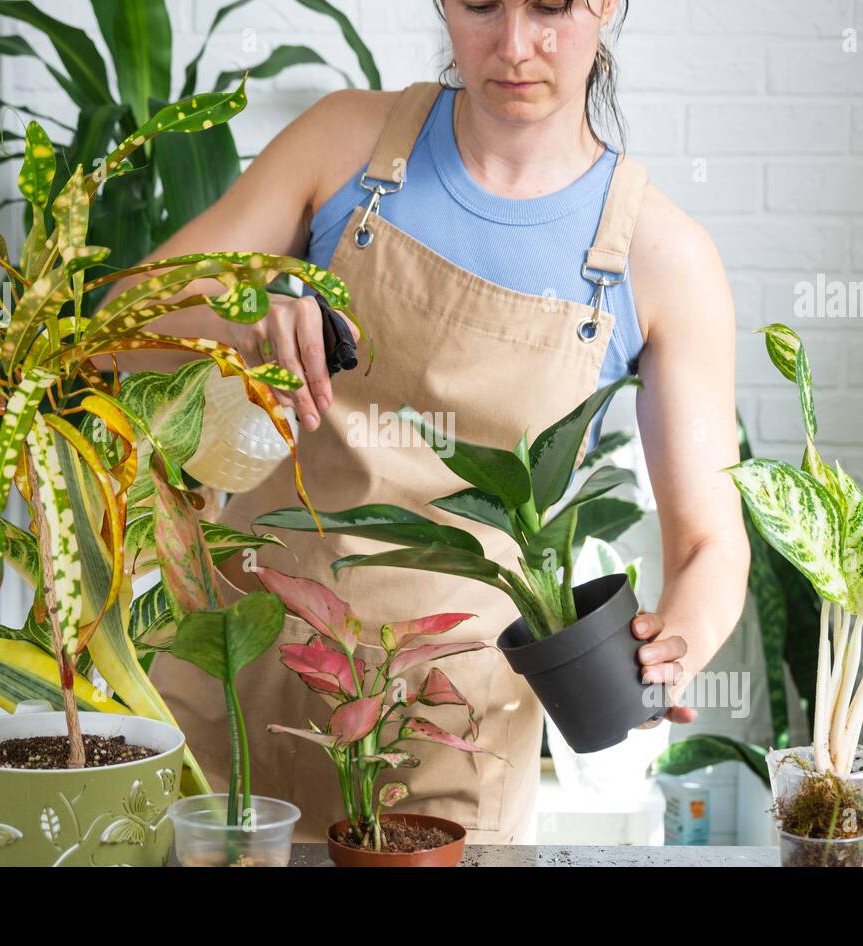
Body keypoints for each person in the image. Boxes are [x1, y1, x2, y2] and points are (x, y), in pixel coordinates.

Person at [108, 0, 749, 844]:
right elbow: (120, 328)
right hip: (240, 669)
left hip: (447, 728)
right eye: (481, 6)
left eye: (550, 7)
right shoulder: (345, 145)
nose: (514, 46)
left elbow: (711, 542)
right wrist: (242, 318)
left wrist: (678, 641)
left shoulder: (664, 259)